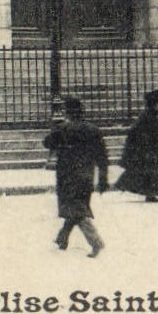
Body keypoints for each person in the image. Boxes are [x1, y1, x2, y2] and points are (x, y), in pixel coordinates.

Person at [43, 95, 108, 256]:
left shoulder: (63, 129)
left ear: (68, 112)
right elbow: (102, 157)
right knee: (76, 207)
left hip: (67, 176)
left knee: (77, 211)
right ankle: (62, 238)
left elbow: (47, 143)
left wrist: (56, 129)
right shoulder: (93, 130)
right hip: (86, 175)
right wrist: (103, 179)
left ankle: (96, 242)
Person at [116, 89, 158, 202]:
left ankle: (149, 194)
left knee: (147, 173)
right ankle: (148, 194)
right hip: (148, 151)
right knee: (149, 173)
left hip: (151, 151)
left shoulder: (150, 115)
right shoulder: (147, 116)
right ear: (155, 104)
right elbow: (138, 133)